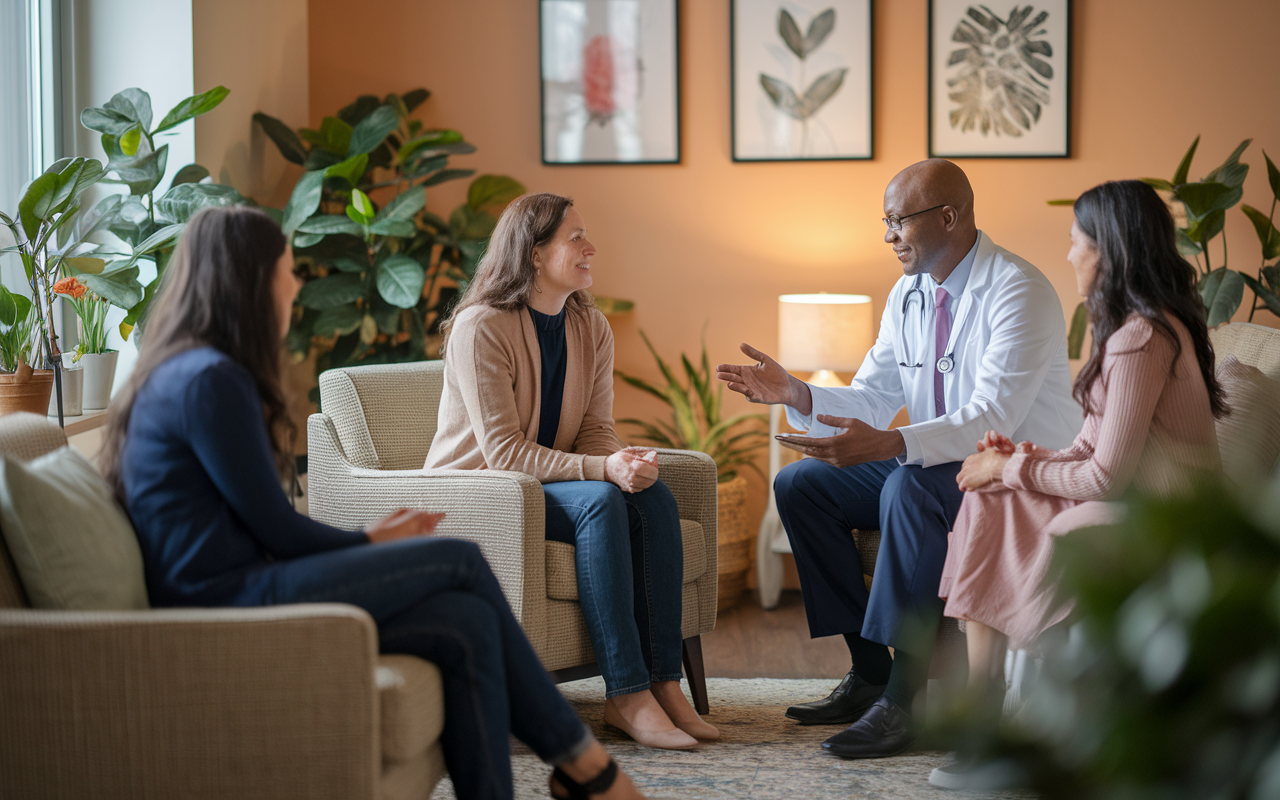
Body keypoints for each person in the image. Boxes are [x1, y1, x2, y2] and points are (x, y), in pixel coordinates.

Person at [99, 206, 646, 800]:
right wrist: (371, 542)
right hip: (223, 596)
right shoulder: (209, 380)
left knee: (464, 622)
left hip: (231, 581)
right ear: (250, 280)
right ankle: (586, 767)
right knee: (459, 560)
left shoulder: (189, 371)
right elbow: (279, 531)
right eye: (287, 270)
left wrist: (374, 543)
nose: (296, 284)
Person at [716, 159, 1082, 759]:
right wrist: (797, 393)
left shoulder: (1019, 290)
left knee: (905, 490)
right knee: (802, 485)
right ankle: (868, 674)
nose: (886, 236)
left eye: (896, 221)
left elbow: (993, 417)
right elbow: (876, 394)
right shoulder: (908, 294)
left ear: (948, 216)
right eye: (883, 221)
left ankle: (903, 703)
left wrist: (891, 445)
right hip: (938, 459)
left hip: (1012, 469)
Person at [928, 180, 1224, 788]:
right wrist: (1021, 460)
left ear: (1108, 250)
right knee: (988, 499)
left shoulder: (1143, 335)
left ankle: (1045, 726)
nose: (1068, 256)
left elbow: (1108, 476)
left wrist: (1011, 467)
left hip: (1168, 513)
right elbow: (1094, 450)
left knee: (1037, 507)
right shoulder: (1124, 327)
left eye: (1075, 242)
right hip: (1135, 494)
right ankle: (986, 712)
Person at [425, 192, 717, 751]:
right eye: (575, 237)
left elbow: (595, 429)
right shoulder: (480, 326)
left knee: (652, 498)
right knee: (601, 501)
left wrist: (620, 463)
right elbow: (504, 451)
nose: (591, 248)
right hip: (484, 491)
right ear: (534, 254)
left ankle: (663, 683)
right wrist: (601, 472)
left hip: (546, 486)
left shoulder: (590, 325)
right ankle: (626, 695)